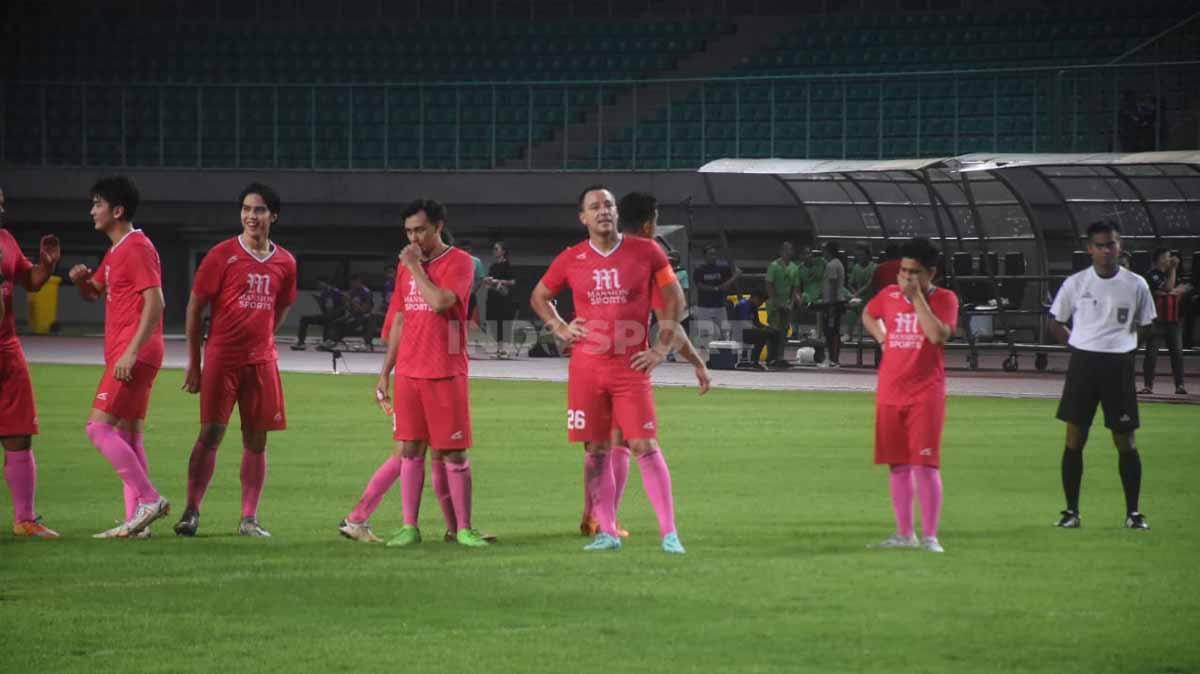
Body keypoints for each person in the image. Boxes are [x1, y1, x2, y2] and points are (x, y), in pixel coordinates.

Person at [530, 185, 687, 554]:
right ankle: (607, 531)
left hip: (630, 367)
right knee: (596, 451)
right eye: (595, 206)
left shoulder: (647, 251)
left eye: (609, 205)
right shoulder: (571, 258)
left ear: (617, 214)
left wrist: (661, 348)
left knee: (645, 445)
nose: (603, 211)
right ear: (583, 217)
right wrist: (561, 328)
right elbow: (539, 296)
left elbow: (675, 298)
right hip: (586, 368)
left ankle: (669, 533)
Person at [340, 199, 490, 547]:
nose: (413, 238)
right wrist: (384, 373)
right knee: (409, 451)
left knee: (453, 454)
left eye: (420, 230)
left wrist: (415, 268)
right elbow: (400, 320)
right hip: (409, 372)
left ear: (438, 227)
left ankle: (464, 528)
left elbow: (440, 303)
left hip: (445, 370)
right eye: (408, 231)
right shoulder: (407, 268)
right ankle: (410, 526)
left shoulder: (461, 263)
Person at [578, 191, 711, 540]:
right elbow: (670, 319)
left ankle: (594, 516)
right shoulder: (647, 258)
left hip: (589, 361)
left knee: (600, 445)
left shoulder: (601, 252)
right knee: (621, 442)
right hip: (622, 365)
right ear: (651, 221)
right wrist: (692, 361)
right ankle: (604, 520)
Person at [174, 183, 298, 538]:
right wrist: (194, 363)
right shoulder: (221, 255)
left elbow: (284, 302)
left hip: (261, 361)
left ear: (273, 215)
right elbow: (195, 307)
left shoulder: (286, 261)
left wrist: (267, 333)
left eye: (259, 210)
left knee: (256, 440)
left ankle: (248, 519)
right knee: (210, 433)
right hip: (222, 358)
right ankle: (191, 511)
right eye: (246, 209)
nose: (251, 216)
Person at [68, 176, 171, 538]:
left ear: (117, 210)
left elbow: (156, 303)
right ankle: (137, 522)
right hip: (135, 352)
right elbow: (95, 292)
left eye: (97, 203)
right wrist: (82, 281)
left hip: (135, 352)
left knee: (98, 428)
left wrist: (130, 351)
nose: (92, 210)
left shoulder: (137, 247)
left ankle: (149, 499)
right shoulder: (115, 251)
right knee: (129, 437)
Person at [1048, 221, 1155, 531]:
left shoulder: (1136, 284)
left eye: (1112, 244)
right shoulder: (1076, 283)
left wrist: (1126, 347)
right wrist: (1078, 345)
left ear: (1120, 247)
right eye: (1100, 245)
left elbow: (1148, 325)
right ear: (1089, 249)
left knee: (1125, 440)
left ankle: (1133, 513)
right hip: (1083, 364)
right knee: (1074, 439)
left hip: (1118, 365)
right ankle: (1071, 512)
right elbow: (1056, 322)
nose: (1107, 251)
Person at [861, 237, 958, 553]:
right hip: (890, 390)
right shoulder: (888, 295)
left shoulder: (945, 299)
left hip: (924, 393)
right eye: (902, 271)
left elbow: (936, 335)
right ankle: (904, 534)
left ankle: (930, 537)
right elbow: (868, 314)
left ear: (932, 273)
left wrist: (917, 298)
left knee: (925, 464)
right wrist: (882, 339)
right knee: (897, 464)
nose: (905, 278)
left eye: (913, 272)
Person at [0, 186, 62, 538]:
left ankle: (25, 519)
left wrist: (47, 266)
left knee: (19, 433)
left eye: (2, 204)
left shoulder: (6, 239)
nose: (0, 209)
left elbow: (30, 281)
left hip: (7, 349)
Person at [1140, 249, 1189, 395]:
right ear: (1160, 259)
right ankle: (1148, 385)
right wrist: (1173, 275)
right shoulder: (1152, 275)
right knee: (1151, 354)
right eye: (1167, 257)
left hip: (1173, 320)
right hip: (1157, 320)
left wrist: (1174, 290)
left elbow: (1184, 288)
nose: (1170, 260)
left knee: (1177, 354)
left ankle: (1180, 385)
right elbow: (1168, 288)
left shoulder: (1171, 274)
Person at [693, 244, 741, 344]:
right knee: (706, 334)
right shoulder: (699, 269)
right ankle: (707, 356)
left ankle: (723, 356)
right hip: (704, 307)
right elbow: (700, 286)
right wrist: (716, 288)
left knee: (725, 332)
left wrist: (735, 276)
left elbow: (732, 277)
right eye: (710, 254)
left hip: (719, 306)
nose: (713, 256)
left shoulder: (722, 268)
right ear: (704, 256)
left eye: (714, 254)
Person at [764, 241, 801, 368]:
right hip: (774, 304)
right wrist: (775, 301)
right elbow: (769, 284)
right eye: (786, 250)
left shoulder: (794, 268)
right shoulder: (774, 266)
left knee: (784, 332)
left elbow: (795, 287)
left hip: (787, 305)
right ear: (781, 251)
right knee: (773, 331)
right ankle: (771, 357)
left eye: (790, 250)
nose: (788, 252)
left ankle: (780, 357)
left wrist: (792, 302)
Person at [483, 241, 517, 359]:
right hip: (493, 297)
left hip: (504, 298)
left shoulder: (508, 265)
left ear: (503, 251)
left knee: (505, 323)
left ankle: (505, 350)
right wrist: (488, 282)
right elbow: (489, 281)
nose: (494, 251)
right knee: (494, 322)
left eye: (497, 249)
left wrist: (498, 281)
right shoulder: (493, 266)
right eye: (494, 249)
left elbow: (513, 281)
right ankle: (498, 349)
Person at [291, 277, 344, 351]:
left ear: (325, 283)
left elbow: (342, 307)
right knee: (304, 319)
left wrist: (334, 315)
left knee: (328, 319)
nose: (318, 285)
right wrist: (319, 301)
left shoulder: (336, 292)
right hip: (326, 316)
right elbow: (324, 310)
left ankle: (326, 342)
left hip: (334, 317)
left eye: (319, 283)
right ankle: (301, 342)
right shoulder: (324, 293)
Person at [819, 241, 847, 368]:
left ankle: (833, 360)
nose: (822, 253)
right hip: (834, 302)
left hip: (833, 303)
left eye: (824, 250)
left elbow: (834, 286)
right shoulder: (837, 263)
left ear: (829, 251)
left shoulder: (832, 265)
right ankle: (833, 359)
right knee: (832, 331)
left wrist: (831, 305)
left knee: (831, 332)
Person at [733, 290, 772, 367]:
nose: (761, 304)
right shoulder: (743, 305)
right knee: (762, 334)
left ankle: (771, 359)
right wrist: (760, 330)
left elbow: (757, 323)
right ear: (755, 298)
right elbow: (743, 323)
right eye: (761, 301)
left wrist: (767, 328)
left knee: (771, 333)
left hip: (748, 331)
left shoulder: (753, 307)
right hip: (739, 332)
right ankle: (754, 361)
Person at [845, 244, 876, 338]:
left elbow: (869, 284)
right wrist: (854, 293)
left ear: (868, 255)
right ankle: (848, 334)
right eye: (858, 255)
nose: (860, 257)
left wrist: (856, 294)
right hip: (858, 299)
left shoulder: (874, 267)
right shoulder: (856, 267)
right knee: (850, 311)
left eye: (862, 255)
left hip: (871, 300)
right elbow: (850, 283)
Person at [460, 239, 487, 327]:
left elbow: (480, 278)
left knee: (467, 316)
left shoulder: (476, 261)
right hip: (456, 294)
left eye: (467, 249)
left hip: (470, 294)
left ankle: (464, 336)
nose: (465, 251)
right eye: (463, 249)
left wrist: (473, 290)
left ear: (470, 249)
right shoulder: (455, 260)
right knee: (455, 317)